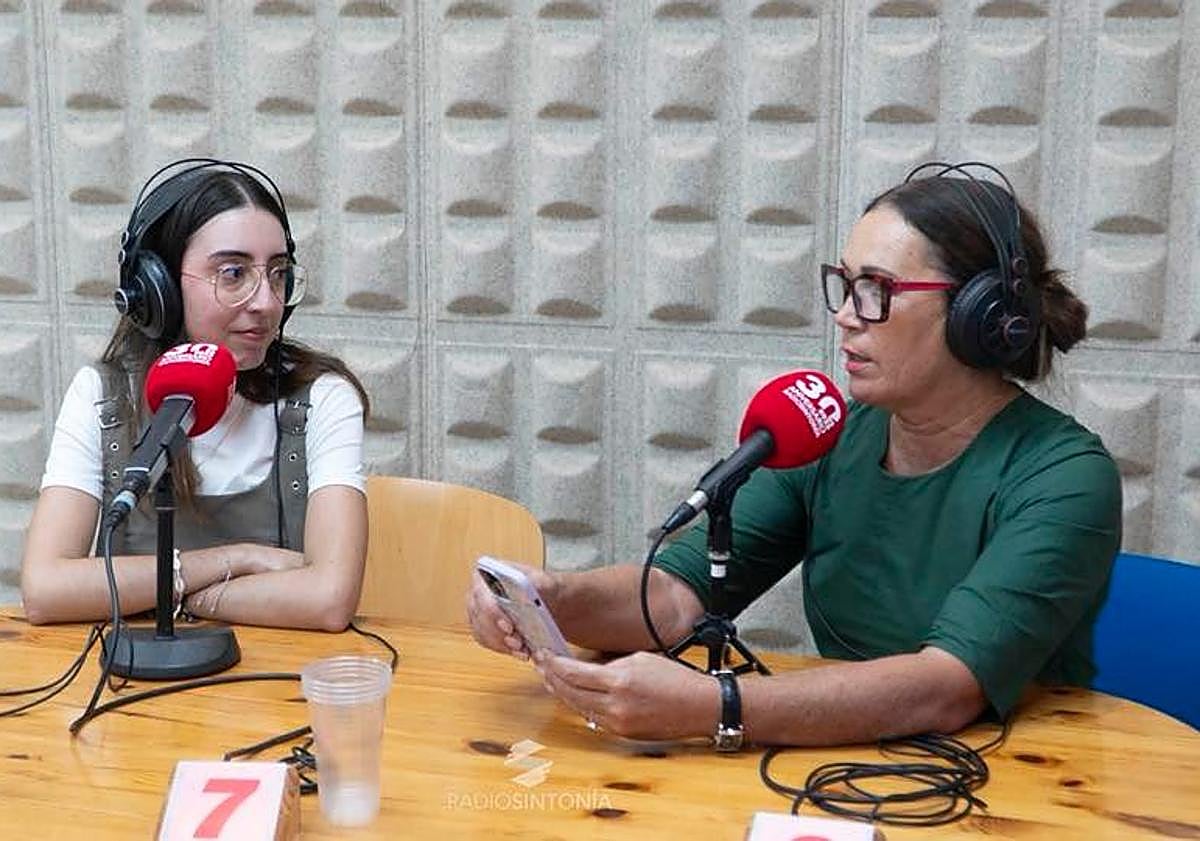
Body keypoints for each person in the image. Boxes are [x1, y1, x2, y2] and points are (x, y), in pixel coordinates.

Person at [466, 161, 1122, 747]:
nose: (845, 315)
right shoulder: (832, 433)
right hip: (844, 765)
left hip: (1011, 786)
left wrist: (719, 705)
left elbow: (945, 685)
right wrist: (549, 598)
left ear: (978, 314)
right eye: (844, 285)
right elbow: (673, 596)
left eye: (877, 289)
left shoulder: (1065, 476)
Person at [21, 159, 370, 631]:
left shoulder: (323, 398)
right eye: (233, 273)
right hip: (137, 692)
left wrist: (167, 595)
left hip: (279, 691)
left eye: (277, 272)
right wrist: (236, 560)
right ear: (158, 287)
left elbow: (328, 600)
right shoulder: (103, 397)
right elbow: (46, 590)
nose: (266, 301)